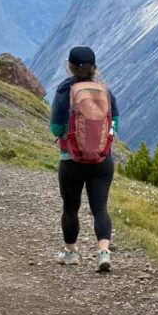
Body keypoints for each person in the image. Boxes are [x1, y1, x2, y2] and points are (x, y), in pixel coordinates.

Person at [50, 46, 118, 272]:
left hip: (71, 161)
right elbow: (114, 123)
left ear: (69, 66)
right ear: (94, 68)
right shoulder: (105, 92)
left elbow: (56, 127)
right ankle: (103, 253)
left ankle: (71, 253)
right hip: (102, 161)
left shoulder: (64, 92)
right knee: (100, 208)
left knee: (71, 208)